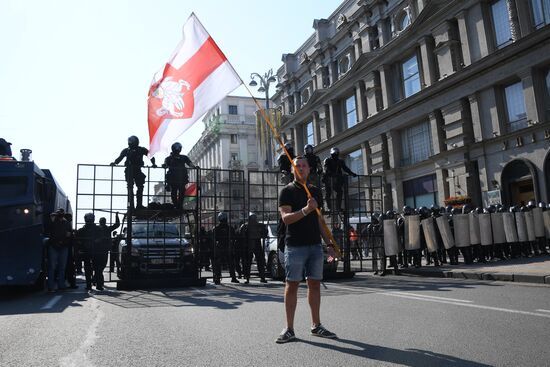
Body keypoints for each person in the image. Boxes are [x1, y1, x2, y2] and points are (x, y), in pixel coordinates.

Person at [276, 156, 337, 344]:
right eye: (297, 166)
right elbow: (286, 218)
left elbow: (319, 221)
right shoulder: (286, 191)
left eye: (304, 166)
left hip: (315, 246)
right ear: (293, 169)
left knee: (315, 284)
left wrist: (329, 244)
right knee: (292, 284)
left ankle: (316, 325)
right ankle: (289, 329)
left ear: (309, 169)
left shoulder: (315, 191)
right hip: (295, 246)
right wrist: (305, 210)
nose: (301, 168)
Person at [111, 135, 156, 209]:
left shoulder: (138, 150)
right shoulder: (129, 150)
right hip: (130, 171)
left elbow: (150, 156)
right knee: (132, 188)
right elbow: (120, 158)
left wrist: (153, 164)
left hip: (136, 171)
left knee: (136, 188)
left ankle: (137, 205)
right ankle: (132, 206)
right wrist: (115, 163)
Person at [162, 142, 197, 209]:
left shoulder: (183, 157)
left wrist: (195, 167)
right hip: (173, 178)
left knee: (182, 191)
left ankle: (179, 205)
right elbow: (165, 164)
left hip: (181, 178)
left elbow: (190, 163)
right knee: (174, 192)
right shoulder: (169, 158)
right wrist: (164, 165)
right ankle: (176, 205)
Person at [322, 147, 357, 212]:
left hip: (336, 180)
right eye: (334, 154)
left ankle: (338, 207)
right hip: (329, 180)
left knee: (340, 192)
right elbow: (326, 169)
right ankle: (329, 207)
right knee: (328, 193)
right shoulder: (327, 160)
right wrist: (331, 174)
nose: (335, 155)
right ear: (331, 154)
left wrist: (352, 173)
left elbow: (345, 168)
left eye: (336, 154)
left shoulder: (340, 161)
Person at [46, 209, 72, 292]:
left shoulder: (67, 223)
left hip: (61, 246)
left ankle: (60, 285)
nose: (60, 216)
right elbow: (47, 230)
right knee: (53, 267)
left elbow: (69, 234)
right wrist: (52, 221)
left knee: (60, 267)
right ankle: (52, 286)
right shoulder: (53, 222)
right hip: (55, 246)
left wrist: (63, 242)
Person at [76, 213, 102, 291]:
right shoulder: (98, 229)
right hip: (94, 251)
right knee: (97, 269)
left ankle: (90, 285)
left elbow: (78, 241)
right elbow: (101, 239)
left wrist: (82, 246)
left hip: (87, 251)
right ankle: (98, 285)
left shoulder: (82, 230)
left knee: (89, 269)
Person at [240, 212, 268, 284]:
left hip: (252, 244)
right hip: (253, 244)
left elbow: (241, 235)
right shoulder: (247, 226)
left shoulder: (246, 225)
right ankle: (258, 277)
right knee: (255, 261)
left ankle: (249, 277)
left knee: (252, 262)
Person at [212, 212, 239, 284]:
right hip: (226, 246)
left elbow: (214, 239)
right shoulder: (229, 228)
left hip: (222, 246)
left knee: (220, 263)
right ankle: (232, 277)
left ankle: (218, 277)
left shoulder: (217, 228)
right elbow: (234, 238)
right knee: (229, 263)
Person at [98, 214, 120, 285]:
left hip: (99, 249)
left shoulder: (98, 229)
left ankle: (97, 279)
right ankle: (98, 279)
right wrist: (116, 216)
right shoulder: (107, 229)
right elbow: (117, 224)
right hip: (104, 249)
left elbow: (117, 225)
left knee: (99, 265)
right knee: (102, 265)